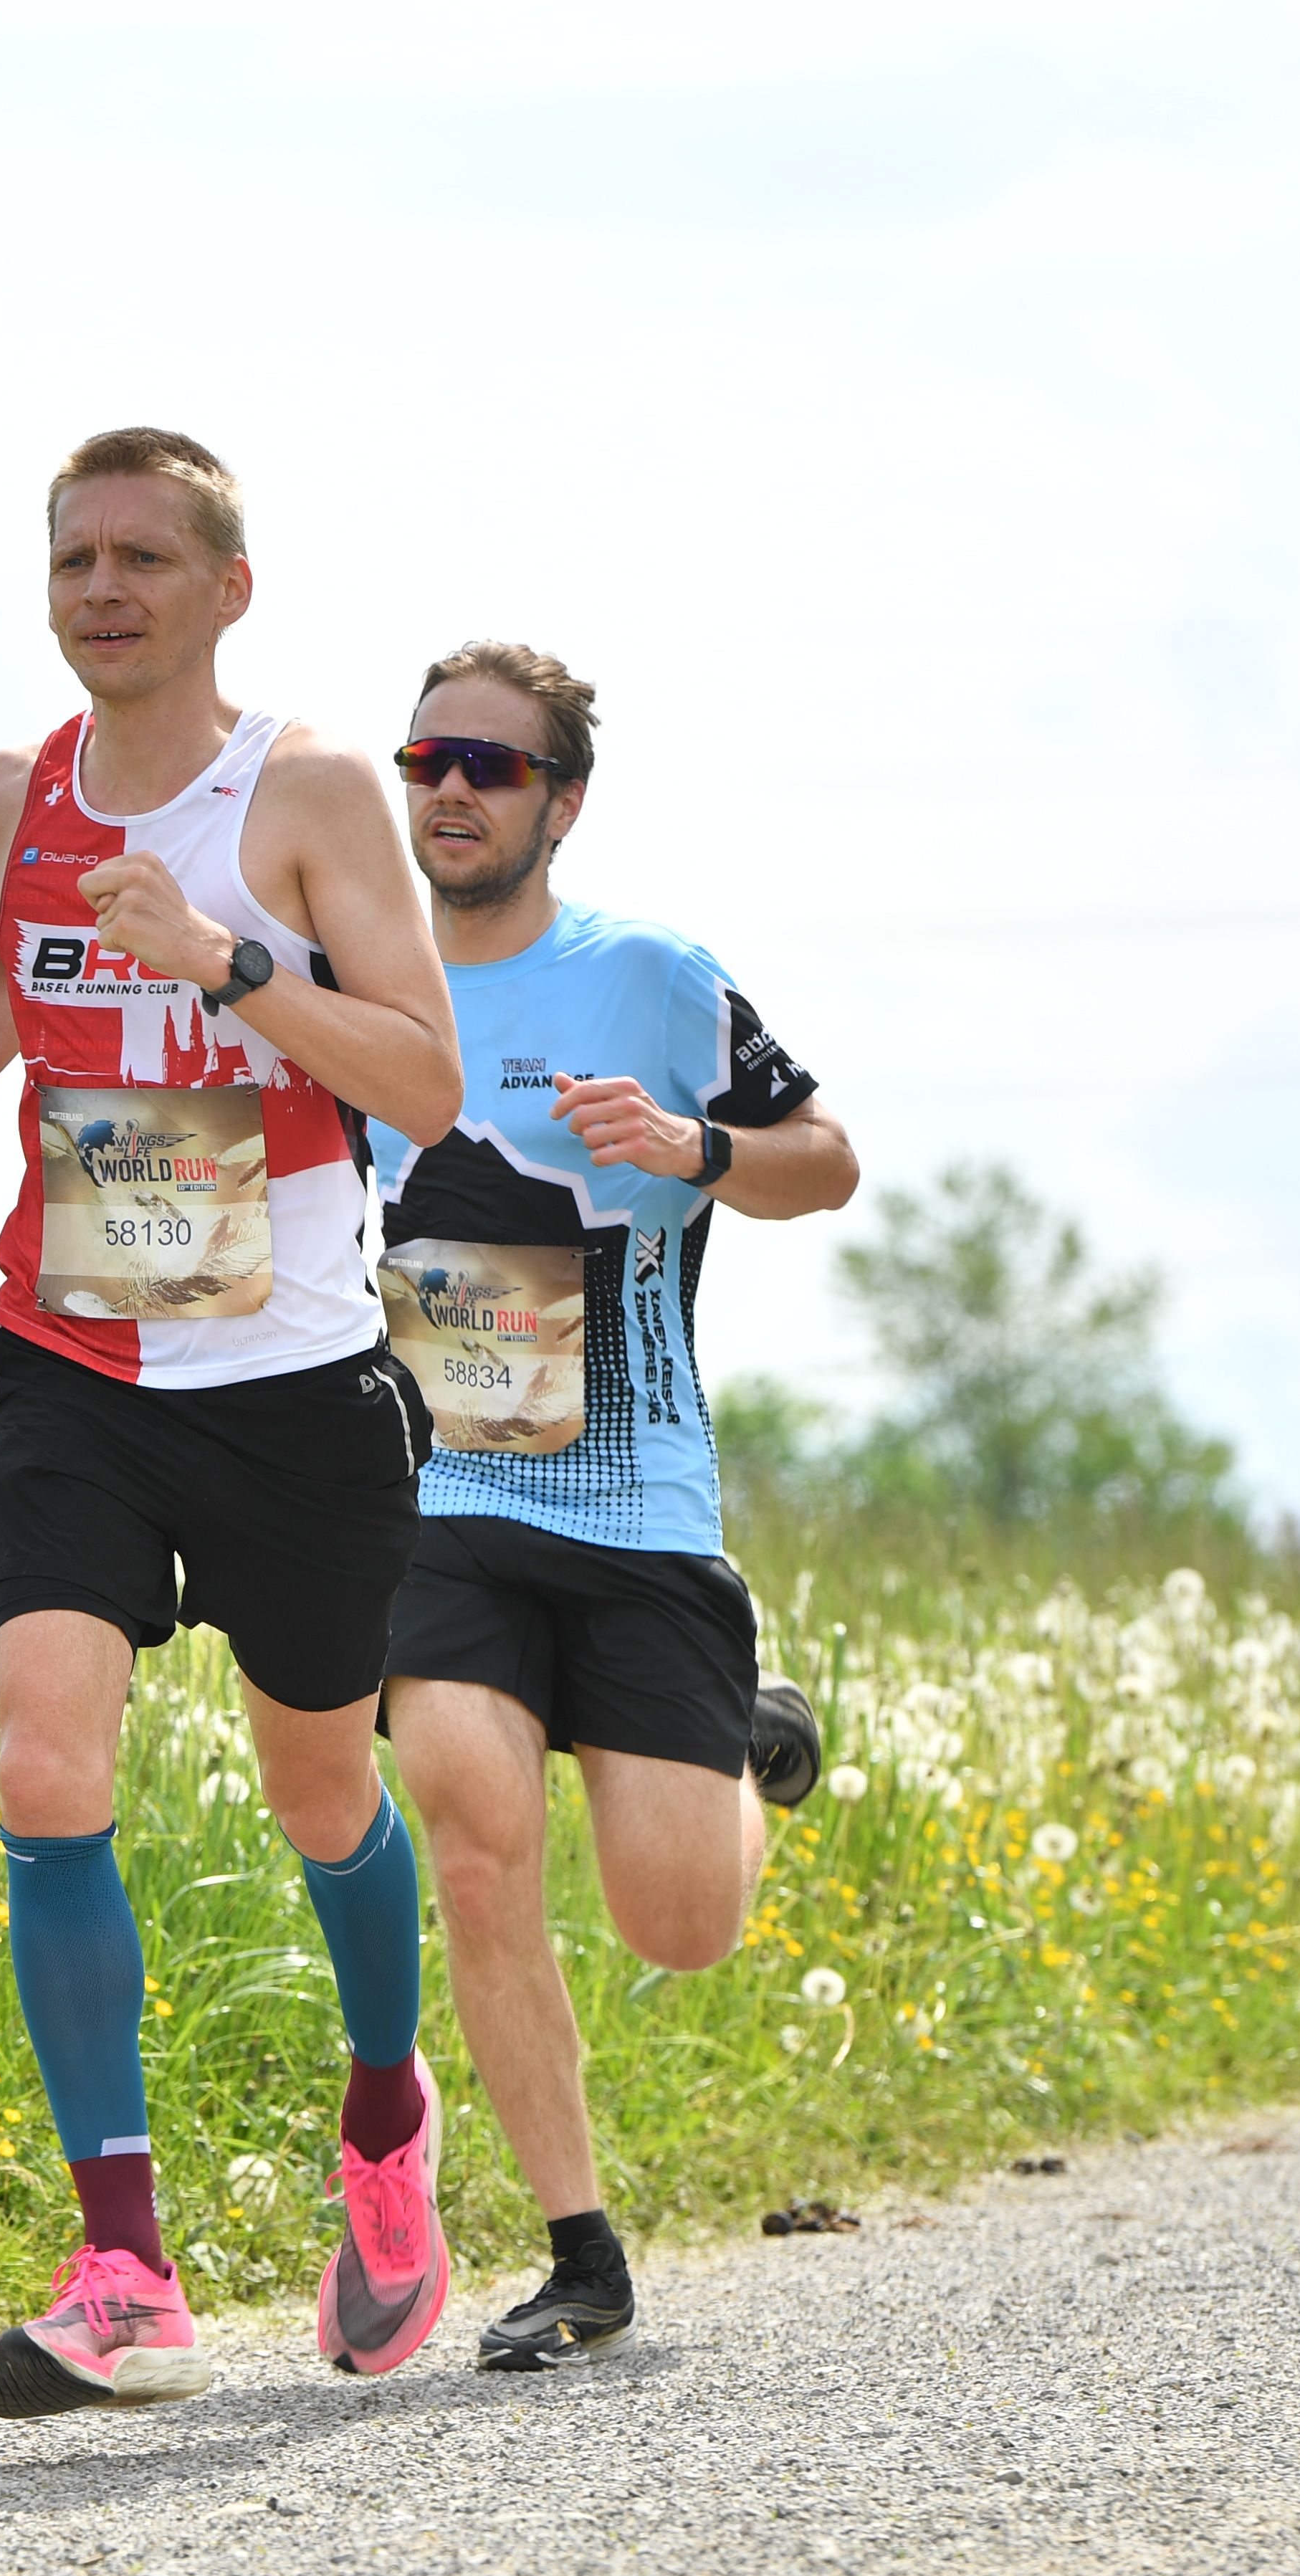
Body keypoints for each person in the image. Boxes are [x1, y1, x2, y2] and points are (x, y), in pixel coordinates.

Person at [0, 428, 466, 2418]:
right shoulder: (6, 795)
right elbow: (3, 966)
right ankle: (123, 2266)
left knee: (320, 1792)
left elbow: (425, 1081)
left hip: (289, 1383)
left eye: (142, 557)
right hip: (76, 1364)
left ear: (229, 589)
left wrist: (229, 962)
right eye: (74, 559)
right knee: (47, 1765)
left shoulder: (307, 795)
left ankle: (386, 2115)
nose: (102, 590)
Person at [363, 640, 859, 2371]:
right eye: (427, 759)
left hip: (637, 1499)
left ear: (562, 802)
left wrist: (689, 1146)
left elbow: (830, 1161)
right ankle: (581, 2252)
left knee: (680, 1923)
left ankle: (750, 1742)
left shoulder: (650, 975)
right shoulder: (361, 990)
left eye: (492, 766)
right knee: (473, 1831)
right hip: (439, 1492)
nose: (451, 788)